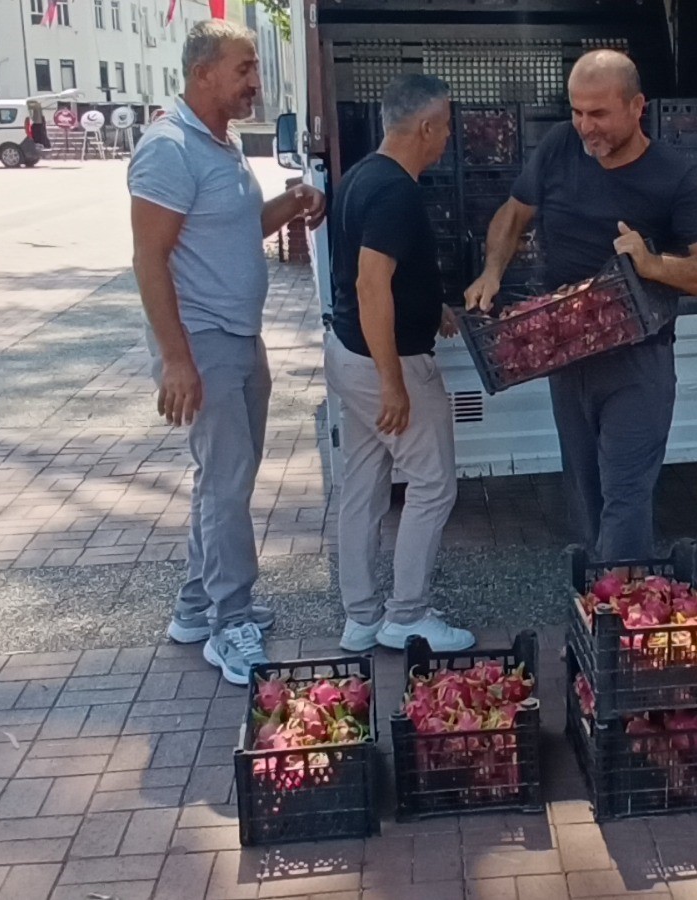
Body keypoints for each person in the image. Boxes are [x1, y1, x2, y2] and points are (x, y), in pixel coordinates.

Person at [464, 50, 697, 560]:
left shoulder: (672, 176)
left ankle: (619, 618)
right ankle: (604, 606)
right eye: (577, 111)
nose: (586, 126)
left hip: (637, 360)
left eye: (599, 114)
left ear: (637, 107)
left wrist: (653, 265)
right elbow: (513, 214)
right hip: (564, 355)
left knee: (625, 497)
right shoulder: (559, 146)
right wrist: (491, 271)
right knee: (586, 498)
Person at [129, 20, 324, 686]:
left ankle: (194, 605)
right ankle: (228, 620)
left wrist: (291, 203)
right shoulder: (168, 148)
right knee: (227, 484)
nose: (254, 83)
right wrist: (177, 359)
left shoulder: (221, 143)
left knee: (221, 480)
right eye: (244, 69)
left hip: (238, 336)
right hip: (203, 340)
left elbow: (238, 228)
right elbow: (148, 258)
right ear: (204, 71)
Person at [325, 74, 473, 652]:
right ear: (427, 126)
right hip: (388, 363)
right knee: (434, 486)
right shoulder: (397, 193)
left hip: (347, 354)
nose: (450, 138)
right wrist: (393, 382)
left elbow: (372, 271)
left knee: (363, 485)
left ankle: (360, 617)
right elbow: (369, 284)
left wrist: (430, 304)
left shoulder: (362, 176)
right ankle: (407, 614)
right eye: (447, 126)